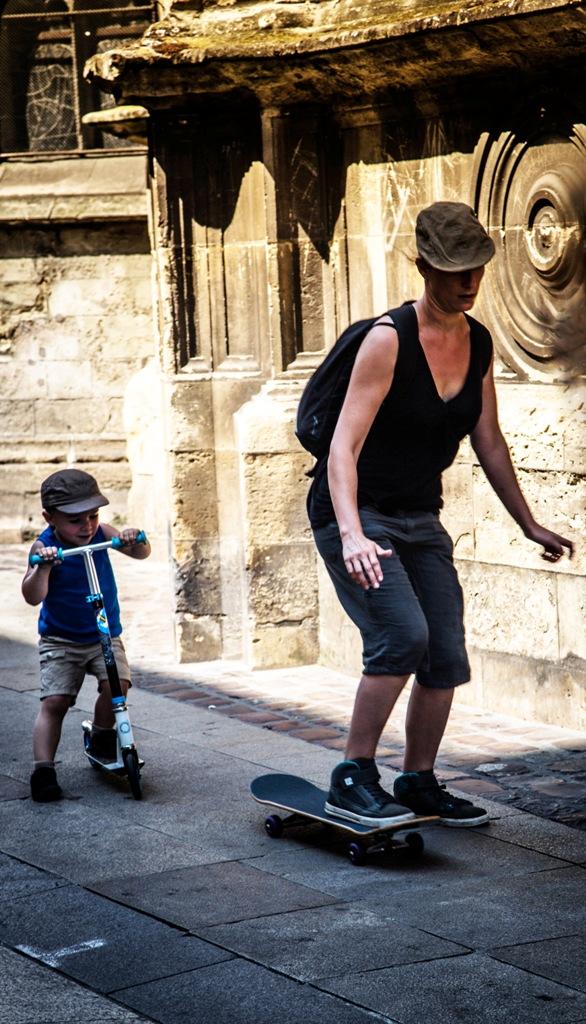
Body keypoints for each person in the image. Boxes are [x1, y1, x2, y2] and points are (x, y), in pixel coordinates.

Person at [308, 201, 574, 828]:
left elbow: (489, 439)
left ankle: (418, 779)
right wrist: (352, 534)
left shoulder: (477, 341)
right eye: (455, 271)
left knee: (445, 653)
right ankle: (352, 775)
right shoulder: (388, 340)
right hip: (358, 511)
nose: (469, 283)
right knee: (403, 636)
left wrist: (528, 523)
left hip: (419, 516)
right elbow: (342, 448)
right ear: (425, 266)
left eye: (476, 269)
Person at [22, 468, 151, 802]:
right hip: (60, 640)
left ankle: (103, 735)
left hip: (103, 636)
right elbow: (32, 595)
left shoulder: (101, 534)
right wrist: (44, 566)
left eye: (93, 516)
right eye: (75, 520)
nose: (88, 526)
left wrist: (134, 539)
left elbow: (141, 552)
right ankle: (43, 770)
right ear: (49, 518)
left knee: (118, 686)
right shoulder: (45, 545)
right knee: (55, 702)